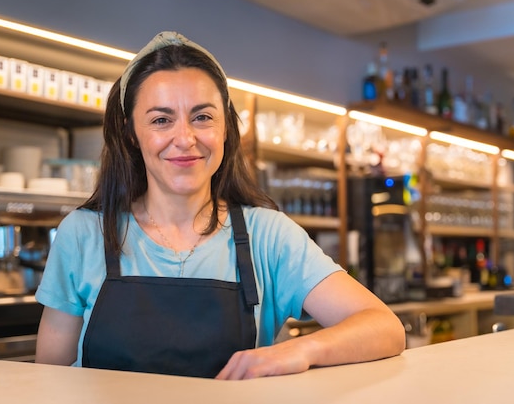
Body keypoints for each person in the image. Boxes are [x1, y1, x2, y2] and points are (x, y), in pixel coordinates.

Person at [34, 31, 406, 380]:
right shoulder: (85, 234)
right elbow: (47, 379)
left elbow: (384, 327)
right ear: (131, 134)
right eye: (161, 120)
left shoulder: (268, 236)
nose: (185, 138)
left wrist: (300, 350)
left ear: (226, 129)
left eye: (203, 117)